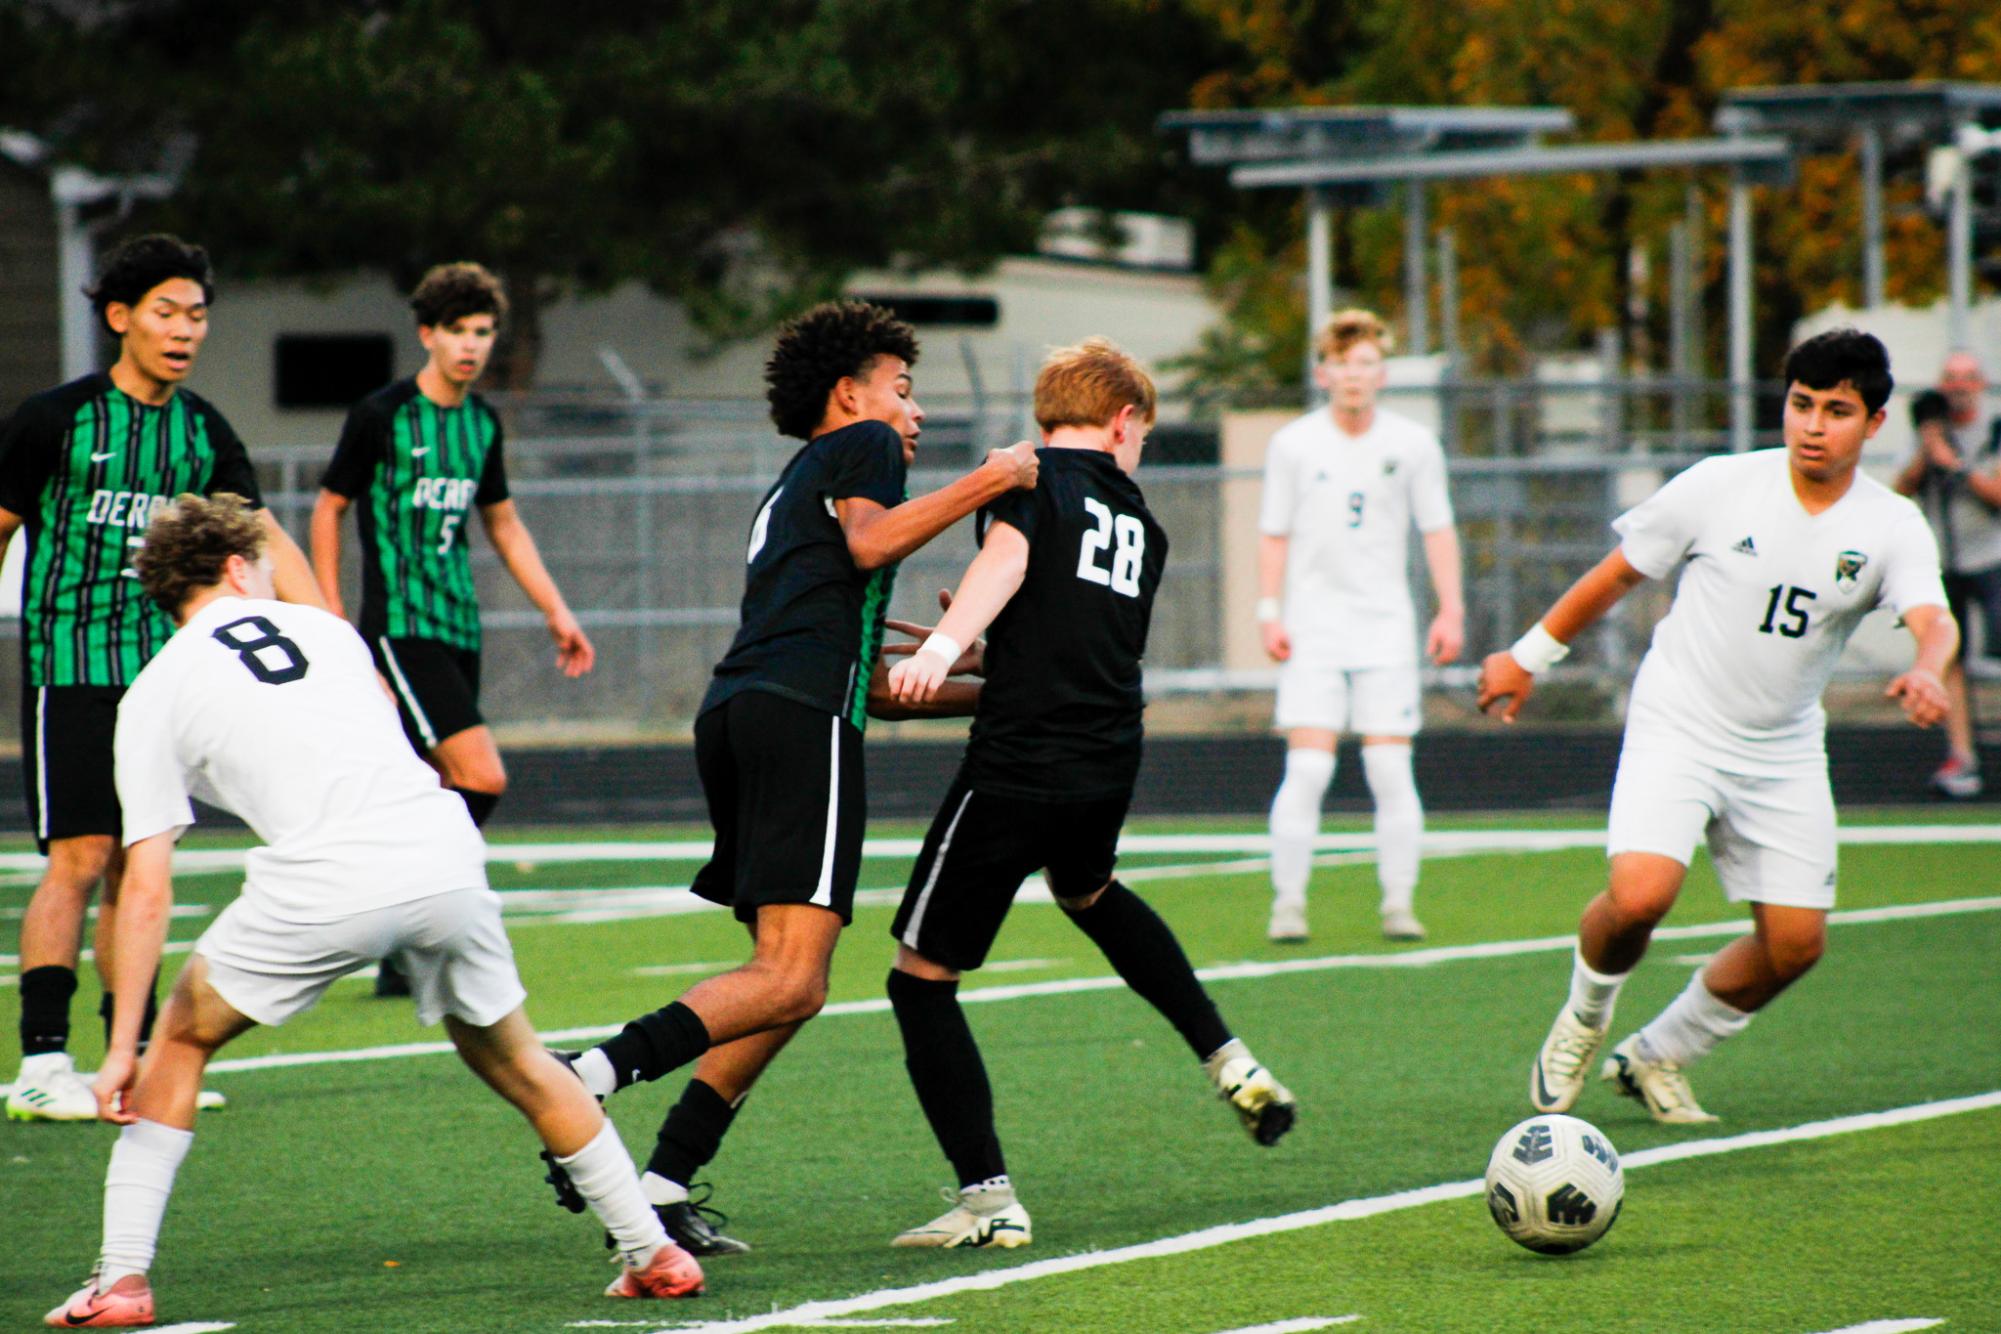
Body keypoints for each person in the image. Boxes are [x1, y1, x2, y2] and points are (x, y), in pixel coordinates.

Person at [42, 494, 701, 1329]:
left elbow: (145, 884)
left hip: (323, 882)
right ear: (240, 568)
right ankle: (650, 1251)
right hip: (444, 853)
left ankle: (122, 1283)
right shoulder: (326, 629)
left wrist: (121, 1046)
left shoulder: (151, 691)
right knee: (520, 1058)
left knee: (178, 1040)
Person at [543, 301, 1037, 1256]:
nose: (916, 410)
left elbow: (879, 688)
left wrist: (998, 689)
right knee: (787, 975)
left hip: (748, 715)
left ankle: (662, 1181)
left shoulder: (798, 484)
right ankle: (588, 1076)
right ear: (848, 394)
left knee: (785, 985)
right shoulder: (862, 449)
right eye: (903, 388)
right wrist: (994, 478)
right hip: (795, 720)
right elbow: (870, 546)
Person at [878, 337, 1297, 1248]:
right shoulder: (1143, 522)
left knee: (919, 980)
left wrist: (944, 649)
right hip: (1107, 756)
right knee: (1088, 891)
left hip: (1021, 762)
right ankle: (1228, 1056)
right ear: (1120, 421)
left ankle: (988, 1201)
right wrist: (995, 641)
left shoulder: (1029, 481)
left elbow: (1008, 565)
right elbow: (1078, 631)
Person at [1480, 329, 1954, 1126]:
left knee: (1795, 948)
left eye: (1835, 411)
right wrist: (1527, 655)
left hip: (1784, 747)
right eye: (1800, 404)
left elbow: (1931, 619)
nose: (1811, 425)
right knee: (1639, 899)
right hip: (1680, 721)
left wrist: (1928, 670)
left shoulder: (1891, 524)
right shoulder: (1718, 486)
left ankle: (1658, 1052)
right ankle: (1584, 1021)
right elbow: (1617, 573)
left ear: (1872, 425)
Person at [0, 234, 318, 1122]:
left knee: (144, 864)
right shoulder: (54, 420)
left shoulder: (204, 431)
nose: (185, 330)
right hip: (70, 663)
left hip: (164, 677)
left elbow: (259, 536)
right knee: (81, 857)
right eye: (166, 312)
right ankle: (42, 1061)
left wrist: (328, 634)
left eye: (197, 315)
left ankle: (126, 1059)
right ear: (120, 318)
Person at [311, 261, 593, 996]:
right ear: (426, 334)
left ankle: (402, 943)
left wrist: (556, 610)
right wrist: (331, 616)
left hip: (458, 624)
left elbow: (501, 522)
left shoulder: (480, 423)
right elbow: (328, 506)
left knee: (436, 786)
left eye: (483, 332)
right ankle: (428, 915)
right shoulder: (382, 414)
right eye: (458, 332)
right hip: (401, 627)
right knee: (480, 775)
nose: (471, 346)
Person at [1257, 308, 1463, 945]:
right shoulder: (1294, 444)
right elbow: (1274, 533)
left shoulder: (1412, 445)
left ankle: (1398, 904)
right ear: (1324, 372)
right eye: (1343, 364)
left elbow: (1436, 529)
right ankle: (1288, 904)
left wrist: (1450, 608)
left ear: (1383, 373)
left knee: (1389, 772)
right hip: (1314, 627)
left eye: (1367, 363)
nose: (1354, 375)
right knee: (1310, 770)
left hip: (1385, 629)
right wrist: (1270, 612)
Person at [1892, 351, 2001, 798]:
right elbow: (1900, 490)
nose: (1958, 386)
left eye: (1966, 378)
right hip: (1941, 561)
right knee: (1949, 657)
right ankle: (1962, 756)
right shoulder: (1927, 429)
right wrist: (1928, 448)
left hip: (1991, 558)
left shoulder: (1994, 430)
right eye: (1950, 378)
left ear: (1981, 383)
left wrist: (1955, 464)